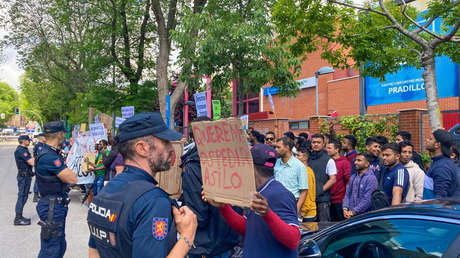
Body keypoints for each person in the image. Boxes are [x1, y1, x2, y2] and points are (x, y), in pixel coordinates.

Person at [87, 112, 197, 258]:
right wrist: (187, 237)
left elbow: (94, 251)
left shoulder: (106, 191)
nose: (171, 148)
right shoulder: (153, 201)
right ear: (142, 148)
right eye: (165, 142)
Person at [204, 144, 300, 257]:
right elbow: (248, 228)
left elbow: (294, 240)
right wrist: (223, 207)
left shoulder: (280, 194)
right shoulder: (258, 192)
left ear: (250, 167)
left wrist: (267, 214)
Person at [180, 116, 240, 258]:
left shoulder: (193, 166)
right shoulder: (232, 158)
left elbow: (198, 215)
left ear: (193, 136)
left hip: (205, 244)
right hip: (230, 238)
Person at [35, 121, 78, 258]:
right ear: (59, 134)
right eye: (64, 132)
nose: (65, 135)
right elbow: (72, 179)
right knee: (51, 250)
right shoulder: (49, 156)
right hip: (52, 207)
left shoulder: (49, 152)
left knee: (58, 246)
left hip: (54, 205)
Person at [274, 137, 308, 214]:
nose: (276, 149)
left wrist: (296, 209)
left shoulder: (299, 166)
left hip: (291, 204)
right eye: (275, 147)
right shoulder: (276, 163)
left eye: (278, 147)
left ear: (287, 147)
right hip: (276, 203)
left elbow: (304, 191)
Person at [308, 134, 337, 222]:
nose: (316, 144)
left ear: (323, 144)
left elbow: (333, 179)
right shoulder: (308, 158)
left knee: (323, 226)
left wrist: (320, 190)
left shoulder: (329, 160)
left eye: (318, 142)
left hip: (323, 199)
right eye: (314, 142)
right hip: (309, 199)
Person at [424, 129, 460, 198]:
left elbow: (440, 199)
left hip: (433, 208)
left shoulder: (441, 167)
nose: (427, 140)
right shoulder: (439, 163)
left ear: (437, 145)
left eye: (430, 139)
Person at [343, 153, 378, 218]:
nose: (355, 162)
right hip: (351, 215)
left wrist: (354, 211)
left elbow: (368, 200)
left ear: (367, 164)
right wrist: (345, 208)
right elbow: (347, 194)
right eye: (355, 160)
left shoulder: (371, 178)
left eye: (359, 160)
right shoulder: (353, 177)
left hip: (364, 217)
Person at [325, 140, 350, 221]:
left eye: (329, 148)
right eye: (326, 148)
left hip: (340, 199)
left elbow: (348, 181)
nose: (327, 150)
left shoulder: (344, 162)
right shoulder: (327, 161)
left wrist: (346, 198)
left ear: (337, 150)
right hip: (328, 199)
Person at [14, 135, 35, 225]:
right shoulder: (21, 150)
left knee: (24, 196)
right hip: (24, 177)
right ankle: (18, 218)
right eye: (28, 140)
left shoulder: (24, 149)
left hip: (26, 176)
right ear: (23, 141)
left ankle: (19, 215)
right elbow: (32, 162)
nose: (29, 141)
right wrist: (37, 155)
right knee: (22, 196)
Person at [296, 145, 317, 222]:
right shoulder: (303, 170)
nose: (295, 158)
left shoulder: (306, 172)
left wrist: (301, 213)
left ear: (305, 158)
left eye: (298, 155)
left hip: (307, 213)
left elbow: (308, 194)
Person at [33, 133, 46, 202]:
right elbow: (39, 155)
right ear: (40, 138)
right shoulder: (38, 146)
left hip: (44, 164)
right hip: (39, 164)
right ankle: (35, 194)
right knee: (38, 179)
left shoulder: (45, 145)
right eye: (44, 136)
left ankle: (42, 194)